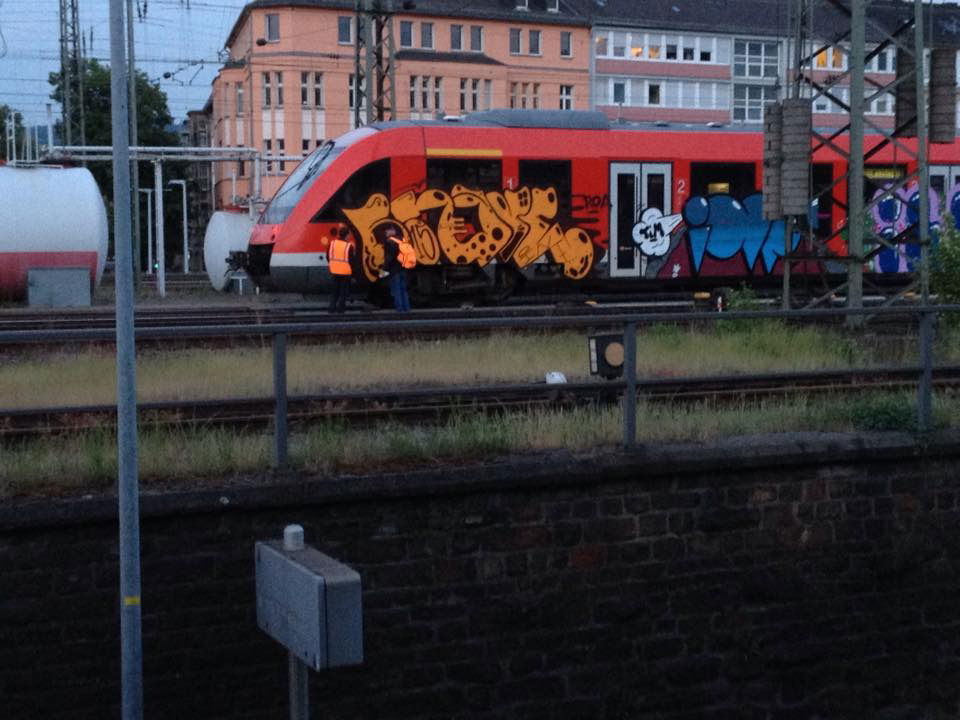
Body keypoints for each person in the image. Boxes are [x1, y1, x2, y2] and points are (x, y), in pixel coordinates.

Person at [382, 225, 413, 312]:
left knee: (396, 290)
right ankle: (407, 308)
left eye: (387, 230)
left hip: (394, 270)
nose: (386, 232)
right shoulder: (402, 240)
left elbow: (389, 258)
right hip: (403, 268)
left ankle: (399, 310)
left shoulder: (389, 241)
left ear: (392, 230)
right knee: (404, 289)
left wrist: (383, 271)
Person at [327, 229, 355, 313]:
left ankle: (331, 308)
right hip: (345, 272)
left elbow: (328, 256)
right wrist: (353, 272)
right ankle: (341, 309)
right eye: (349, 235)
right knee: (343, 292)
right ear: (346, 235)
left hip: (334, 271)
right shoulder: (349, 246)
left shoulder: (332, 244)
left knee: (335, 291)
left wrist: (333, 264)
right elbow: (351, 260)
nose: (349, 237)